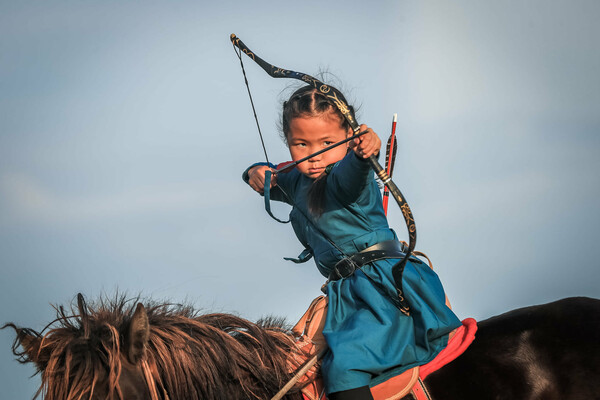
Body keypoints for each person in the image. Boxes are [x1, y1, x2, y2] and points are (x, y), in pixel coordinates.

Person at [243, 85, 461, 400]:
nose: (313, 156)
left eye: (327, 143)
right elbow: (269, 177)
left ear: (349, 136)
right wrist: (254, 172)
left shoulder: (347, 176)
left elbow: (355, 168)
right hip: (347, 293)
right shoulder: (296, 179)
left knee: (345, 368)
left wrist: (365, 151)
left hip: (383, 286)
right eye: (300, 144)